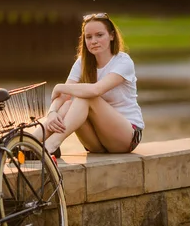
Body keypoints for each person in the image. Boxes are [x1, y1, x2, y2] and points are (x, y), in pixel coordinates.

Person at [36, 12, 144, 157]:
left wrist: (59, 87)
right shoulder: (82, 62)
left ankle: (51, 144)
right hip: (96, 143)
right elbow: (63, 97)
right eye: (89, 37)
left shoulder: (123, 61)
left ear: (111, 36)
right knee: (67, 105)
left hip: (126, 136)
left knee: (86, 97)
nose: (93, 41)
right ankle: (31, 142)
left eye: (99, 35)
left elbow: (96, 90)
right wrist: (52, 113)